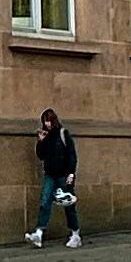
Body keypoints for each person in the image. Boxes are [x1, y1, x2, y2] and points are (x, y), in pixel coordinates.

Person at [27, 107, 81, 249]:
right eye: (45, 121)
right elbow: (41, 156)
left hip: (64, 175)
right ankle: (39, 232)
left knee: (68, 205)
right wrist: (40, 142)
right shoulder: (46, 136)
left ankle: (75, 234)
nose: (47, 124)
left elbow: (71, 155)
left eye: (49, 121)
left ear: (54, 120)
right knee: (45, 202)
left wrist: (71, 173)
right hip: (50, 175)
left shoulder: (63, 133)